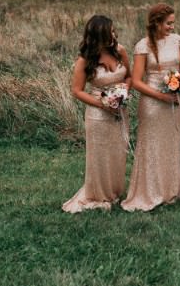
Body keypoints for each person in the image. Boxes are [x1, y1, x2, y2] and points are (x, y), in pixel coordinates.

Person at [121, 3, 180, 212]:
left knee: (171, 143)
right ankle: (148, 191)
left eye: (173, 23)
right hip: (152, 103)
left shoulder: (178, 41)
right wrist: (160, 95)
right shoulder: (143, 46)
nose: (171, 27)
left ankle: (169, 190)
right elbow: (138, 80)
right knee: (151, 145)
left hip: (174, 100)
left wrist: (179, 83)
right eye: (168, 23)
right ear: (157, 23)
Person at [62, 15, 132, 213]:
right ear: (97, 36)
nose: (113, 34)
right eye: (108, 32)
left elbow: (128, 76)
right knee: (100, 155)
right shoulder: (85, 60)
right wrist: (104, 103)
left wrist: (123, 93)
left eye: (113, 30)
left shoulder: (120, 51)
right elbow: (77, 90)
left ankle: (114, 191)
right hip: (98, 115)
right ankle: (98, 194)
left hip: (120, 111)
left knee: (118, 152)